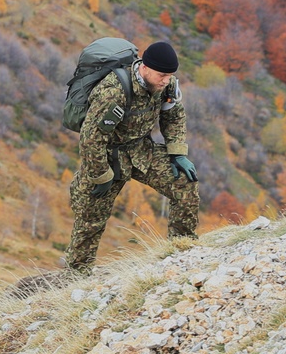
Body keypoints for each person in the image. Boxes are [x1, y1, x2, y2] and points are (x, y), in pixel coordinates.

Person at [64, 41, 199, 274]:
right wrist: (100, 175)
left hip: (140, 149)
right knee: (89, 218)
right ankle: (76, 276)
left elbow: (174, 115)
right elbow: (91, 139)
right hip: (106, 155)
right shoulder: (113, 91)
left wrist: (177, 152)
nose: (166, 80)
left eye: (170, 75)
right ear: (145, 68)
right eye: (162, 75)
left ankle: (182, 252)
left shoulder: (166, 85)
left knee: (185, 184)